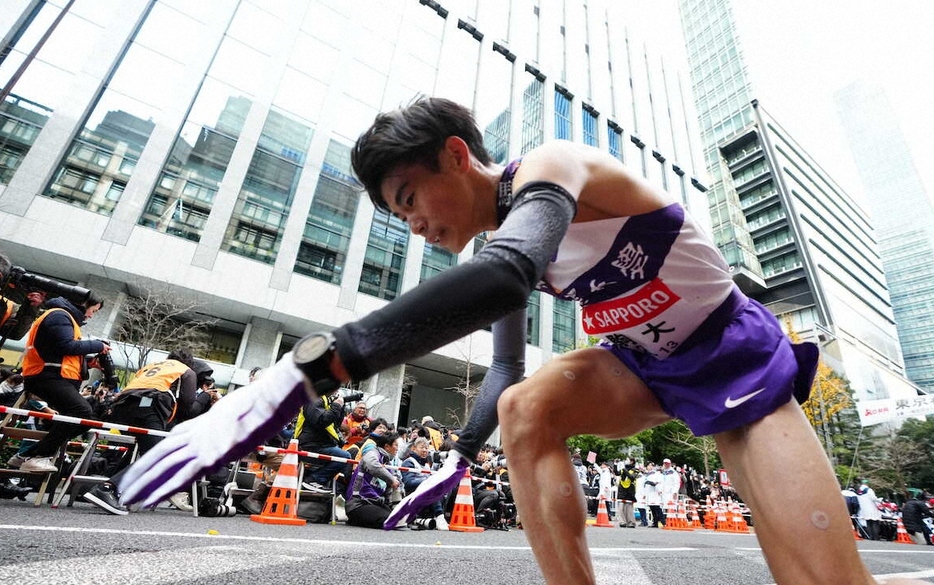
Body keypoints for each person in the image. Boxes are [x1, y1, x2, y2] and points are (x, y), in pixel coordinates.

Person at [119, 97, 928, 585]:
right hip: (646, 369)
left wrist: (308, 371)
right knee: (528, 402)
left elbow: (506, 277)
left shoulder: (550, 166)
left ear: (457, 155)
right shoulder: (498, 249)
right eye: (398, 217)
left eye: (410, 197)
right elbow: (506, 366)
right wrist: (457, 460)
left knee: (824, 580)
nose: (417, 225)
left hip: (736, 357)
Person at [82, 348, 209, 515]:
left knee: (144, 452)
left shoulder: (153, 366)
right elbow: (188, 408)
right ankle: (107, 489)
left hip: (122, 406)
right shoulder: (186, 371)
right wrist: (205, 396)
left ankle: (118, 490)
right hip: (150, 407)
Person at [6, 294, 109, 473]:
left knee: (88, 419)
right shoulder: (59, 315)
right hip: (43, 376)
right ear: (85, 304)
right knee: (81, 410)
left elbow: (60, 351)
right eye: (93, 310)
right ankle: (38, 457)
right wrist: (97, 345)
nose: (91, 315)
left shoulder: (64, 317)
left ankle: (26, 456)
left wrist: (88, 361)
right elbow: (64, 346)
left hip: (51, 376)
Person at [294, 390, 351, 493]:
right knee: (344, 457)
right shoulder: (313, 399)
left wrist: (340, 408)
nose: (337, 391)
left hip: (320, 444)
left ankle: (314, 480)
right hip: (309, 445)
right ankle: (313, 480)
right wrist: (336, 406)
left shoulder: (325, 401)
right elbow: (321, 421)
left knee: (344, 457)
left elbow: (335, 425)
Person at [344, 431, 401, 529]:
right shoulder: (373, 453)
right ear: (387, 446)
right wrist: (392, 480)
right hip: (358, 504)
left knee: (400, 518)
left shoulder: (387, 463)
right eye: (396, 445)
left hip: (375, 503)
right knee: (390, 520)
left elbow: (388, 492)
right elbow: (372, 465)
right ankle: (356, 520)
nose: (397, 448)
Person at [400, 436, 447, 530]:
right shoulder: (408, 462)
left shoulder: (426, 464)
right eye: (422, 447)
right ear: (414, 448)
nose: (425, 450)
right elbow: (408, 482)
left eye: (426, 448)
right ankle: (439, 517)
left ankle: (438, 516)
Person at [617, 460, 638, 528]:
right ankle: (622, 522)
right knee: (620, 507)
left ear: (632, 462)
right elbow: (616, 473)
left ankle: (631, 522)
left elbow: (631, 477)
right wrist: (615, 464)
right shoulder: (623, 469)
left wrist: (624, 469)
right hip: (622, 489)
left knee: (629, 508)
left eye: (628, 460)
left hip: (630, 490)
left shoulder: (635, 470)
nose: (626, 461)